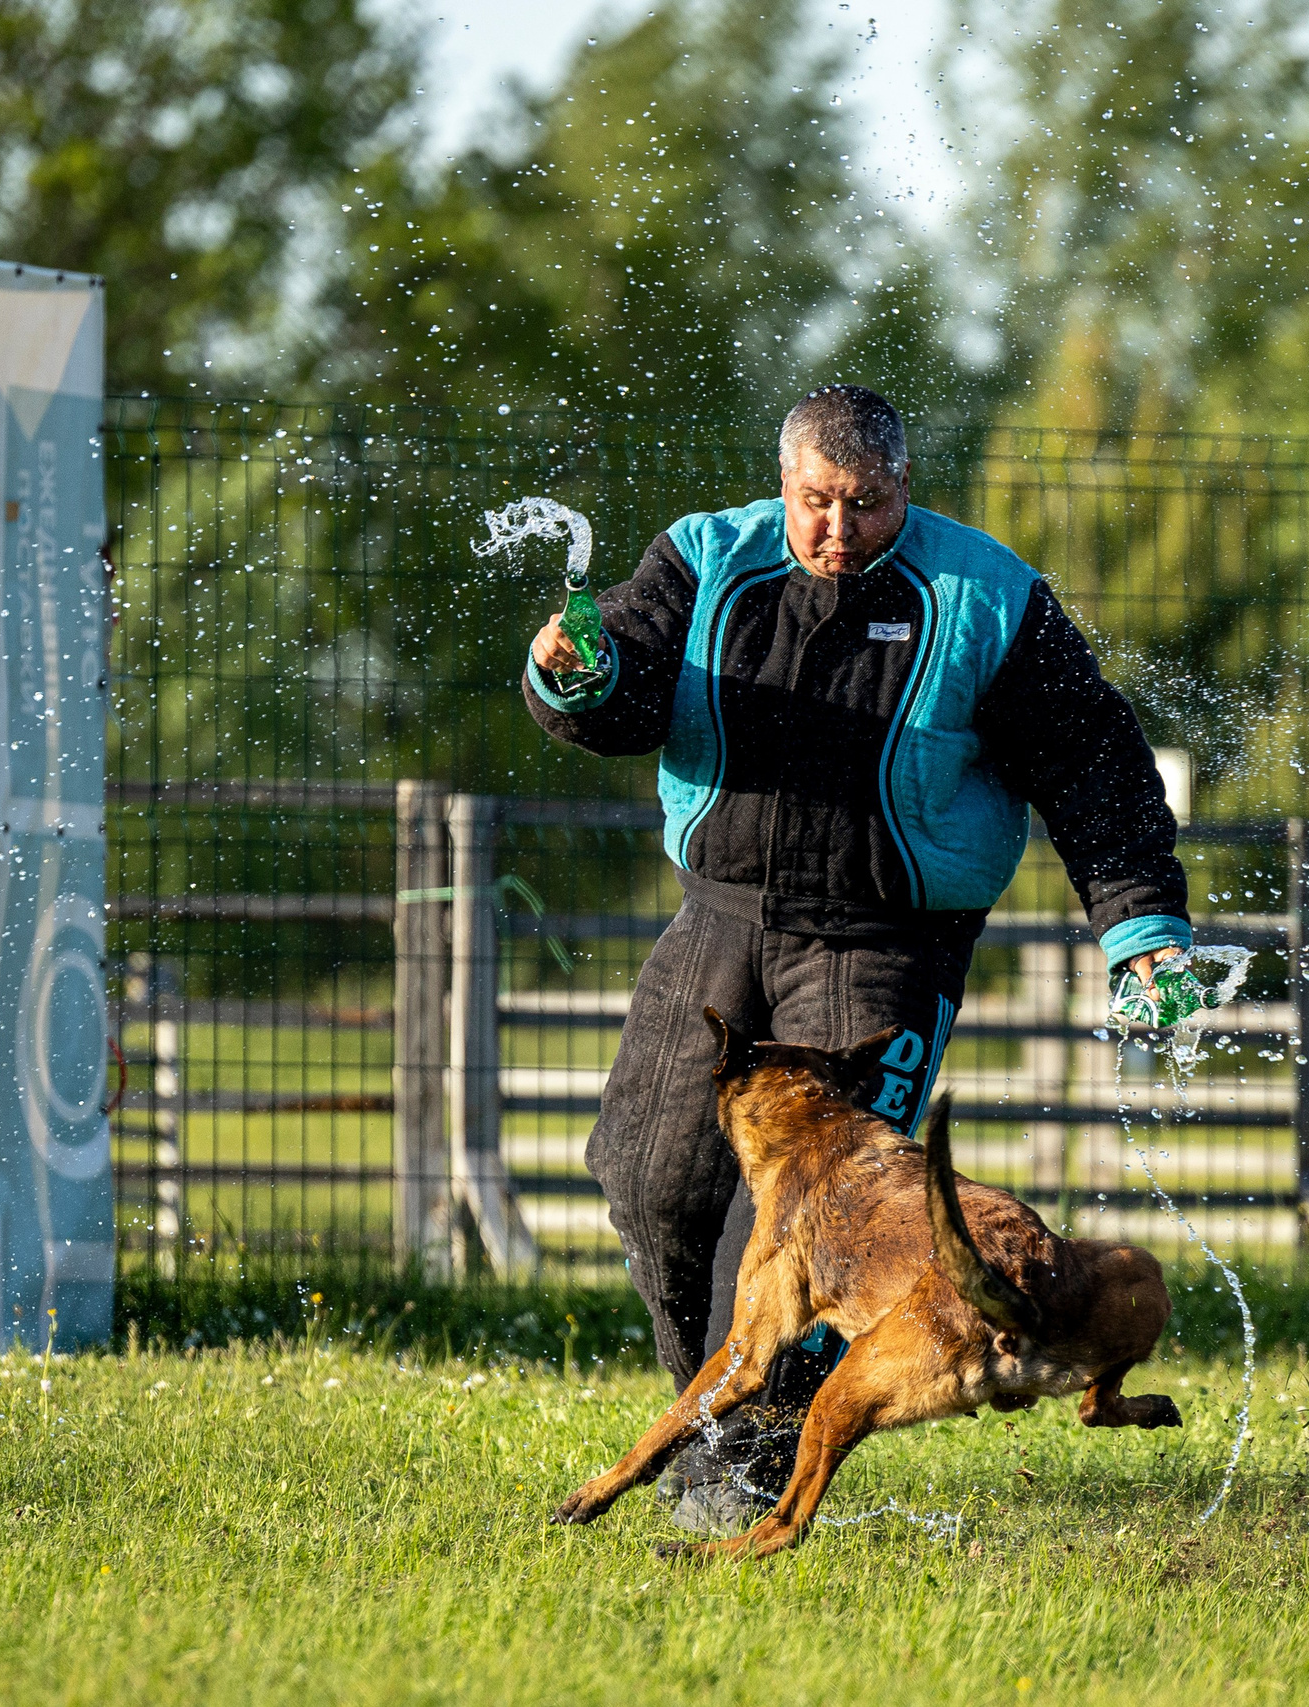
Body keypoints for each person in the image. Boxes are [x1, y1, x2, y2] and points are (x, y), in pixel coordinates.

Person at [522, 385, 1190, 1531]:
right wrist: (575, 675)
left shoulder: (986, 596)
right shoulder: (704, 559)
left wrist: (1140, 929)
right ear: (782, 485)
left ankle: (742, 1472)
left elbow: (1093, 764)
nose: (839, 529)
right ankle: (721, 1420)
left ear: (904, 487)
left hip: (886, 941)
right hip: (723, 915)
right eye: (816, 502)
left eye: (867, 504)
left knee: (800, 1226)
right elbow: (621, 688)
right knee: (648, 1182)